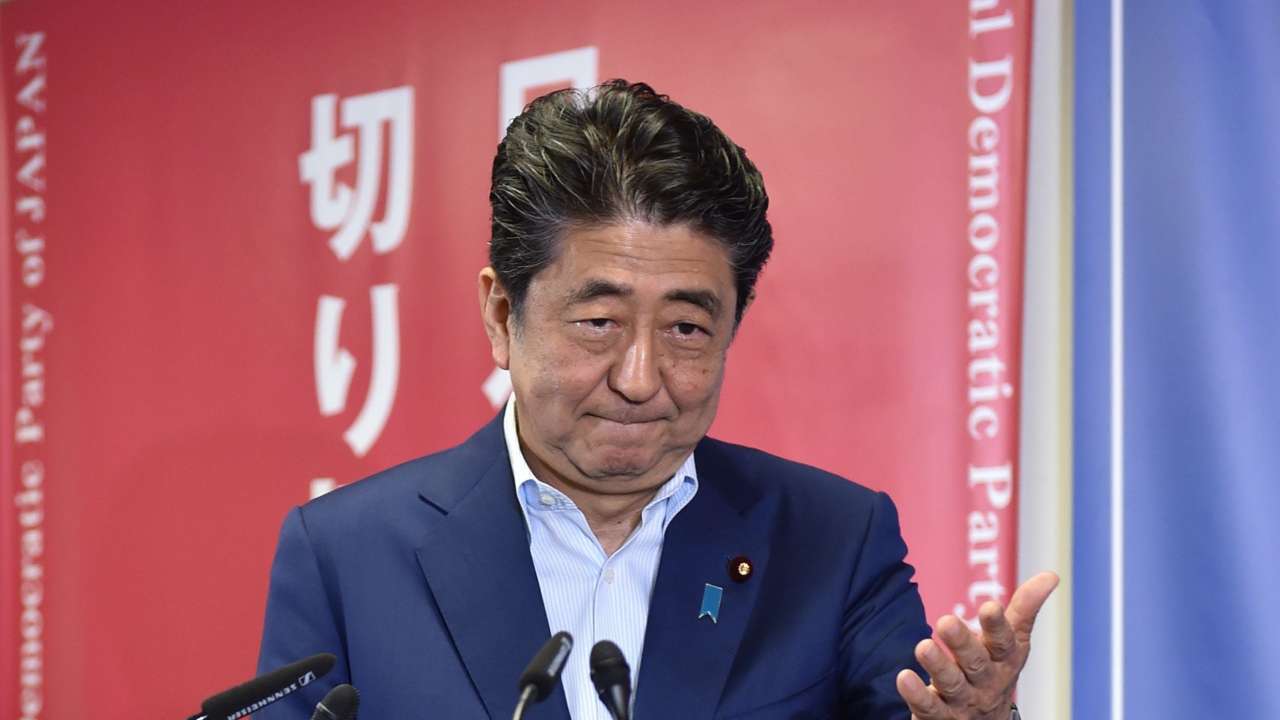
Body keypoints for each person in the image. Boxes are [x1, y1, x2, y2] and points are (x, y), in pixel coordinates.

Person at [256, 80, 1057, 719]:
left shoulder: (833, 542)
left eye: (685, 329)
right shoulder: (346, 556)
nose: (640, 378)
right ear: (502, 315)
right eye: (599, 322)